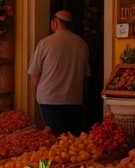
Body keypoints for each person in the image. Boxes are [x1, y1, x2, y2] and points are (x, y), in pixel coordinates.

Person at [28, 9, 90, 137]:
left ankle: (46, 159)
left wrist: (37, 95)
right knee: (73, 139)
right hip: (74, 99)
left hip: (48, 99)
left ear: (55, 23)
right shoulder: (82, 44)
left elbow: (34, 74)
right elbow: (85, 76)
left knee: (54, 138)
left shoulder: (45, 43)